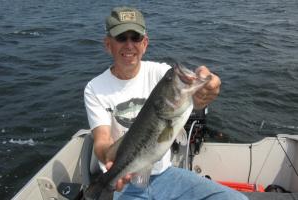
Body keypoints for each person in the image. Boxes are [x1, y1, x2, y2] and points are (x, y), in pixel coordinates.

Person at [84, 6, 248, 200]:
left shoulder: (162, 74)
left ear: (145, 43)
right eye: (121, 38)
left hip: (166, 175)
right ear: (108, 44)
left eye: (135, 38)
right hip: (125, 182)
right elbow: (102, 140)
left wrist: (207, 85)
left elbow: (196, 96)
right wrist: (109, 160)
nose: (129, 45)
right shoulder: (95, 88)